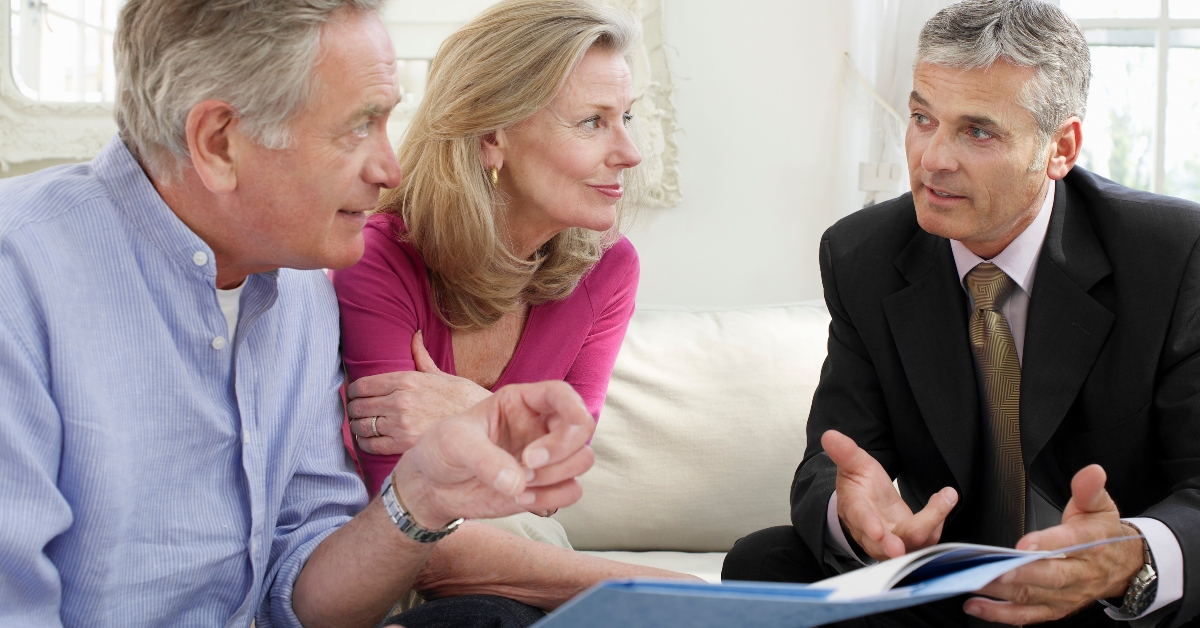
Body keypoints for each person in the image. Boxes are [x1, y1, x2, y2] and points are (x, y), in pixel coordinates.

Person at [0, 1, 599, 627]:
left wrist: (420, 495)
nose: (389, 170)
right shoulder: (20, 276)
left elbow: (305, 601)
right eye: (358, 127)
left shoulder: (302, 285)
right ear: (219, 142)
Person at [723, 1, 1200, 627]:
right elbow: (834, 462)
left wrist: (1129, 558)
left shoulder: (1173, 254)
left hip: (1102, 594)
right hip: (956, 586)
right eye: (923, 118)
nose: (932, 158)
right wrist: (861, 521)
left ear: (1060, 147)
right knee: (764, 561)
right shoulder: (863, 255)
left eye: (978, 131)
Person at [330, 0, 695, 621]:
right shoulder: (375, 257)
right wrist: (677, 590)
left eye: (626, 117)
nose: (630, 152)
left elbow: (554, 483)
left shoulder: (609, 267)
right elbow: (412, 537)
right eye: (591, 122)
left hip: (512, 569)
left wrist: (473, 414)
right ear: (492, 136)